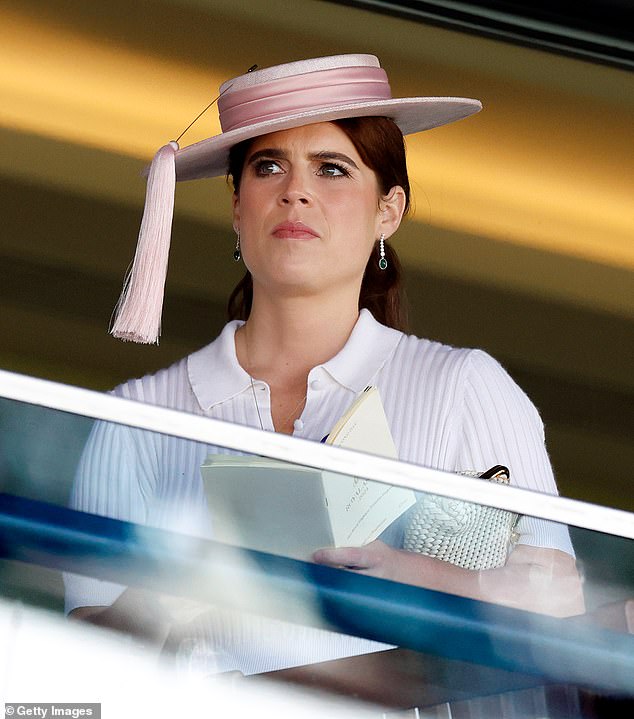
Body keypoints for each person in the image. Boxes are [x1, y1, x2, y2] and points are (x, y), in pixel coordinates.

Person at [65, 54, 584, 673]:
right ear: (237, 204)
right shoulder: (139, 416)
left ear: (388, 210)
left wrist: (408, 576)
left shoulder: (463, 388)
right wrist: (168, 593)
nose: (296, 191)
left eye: (332, 169)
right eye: (268, 166)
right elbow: (76, 678)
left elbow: (564, 623)